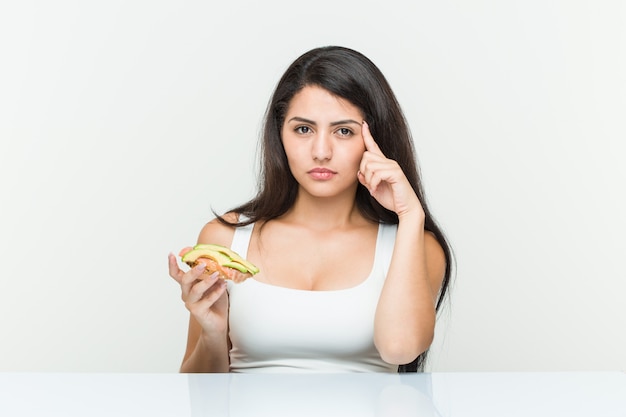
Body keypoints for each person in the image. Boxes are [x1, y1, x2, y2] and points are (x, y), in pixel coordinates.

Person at [168, 46, 453, 373]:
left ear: (374, 140)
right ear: (280, 134)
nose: (321, 152)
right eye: (303, 129)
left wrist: (410, 215)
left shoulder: (414, 245)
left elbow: (400, 349)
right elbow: (200, 396)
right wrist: (213, 332)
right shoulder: (226, 238)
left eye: (343, 131)